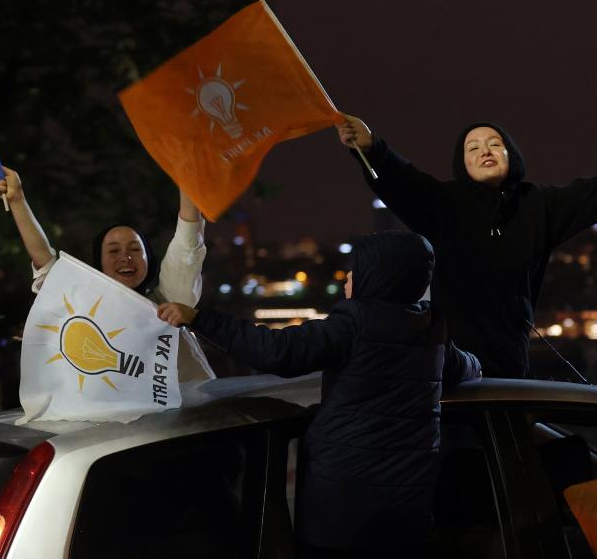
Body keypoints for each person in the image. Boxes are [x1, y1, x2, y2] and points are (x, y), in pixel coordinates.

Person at [158, 231, 481, 559]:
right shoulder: (431, 325)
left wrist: (200, 319)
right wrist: (477, 368)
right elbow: (461, 367)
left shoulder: (354, 322)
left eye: (355, 272)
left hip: (341, 510)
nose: (347, 280)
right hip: (407, 512)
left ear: (376, 275)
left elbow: (278, 351)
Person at [335, 93, 597, 378]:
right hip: (450, 365)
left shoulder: (537, 206)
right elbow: (402, 181)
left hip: (510, 362)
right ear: (462, 164)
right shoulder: (444, 205)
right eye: (473, 148)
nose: (484, 151)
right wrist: (371, 146)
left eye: (494, 144)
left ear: (510, 155)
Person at [0, 166, 206, 306]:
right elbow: (46, 263)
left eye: (134, 249)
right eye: (113, 250)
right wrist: (17, 200)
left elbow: (187, 247)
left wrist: (187, 168)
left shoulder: (169, 305)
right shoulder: (83, 308)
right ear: (99, 263)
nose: (125, 257)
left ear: (148, 260)